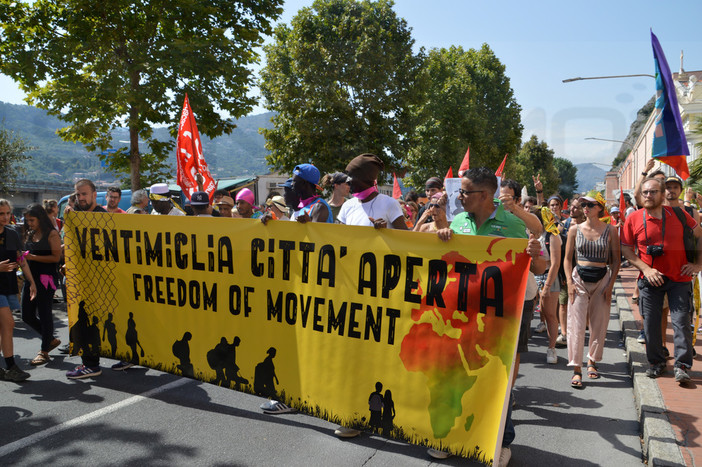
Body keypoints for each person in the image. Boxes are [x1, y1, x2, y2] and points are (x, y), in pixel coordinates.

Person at [434, 167, 544, 466]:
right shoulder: (458, 220)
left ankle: (500, 442)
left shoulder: (514, 222)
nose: (460, 196)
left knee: (499, 377)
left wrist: (534, 253)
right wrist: (443, 234)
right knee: (458, 372)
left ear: (484, 195)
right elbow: (448, 259)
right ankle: (453, 435)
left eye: (465, 192)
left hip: (508, 312)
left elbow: (540, 266)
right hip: (466, 311)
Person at [621, 177, 702, 384]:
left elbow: (700, 235)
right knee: (650, 324)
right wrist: (646, 269)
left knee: (681, 323)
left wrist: (698, 265)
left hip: (679, 278)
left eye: (653, 192)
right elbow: (626, 248)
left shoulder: (679, 214)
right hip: (649, 280)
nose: (648, 195)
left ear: (662, 193)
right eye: (645, 192)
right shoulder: (634, 218)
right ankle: (656, 363)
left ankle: (682, 366)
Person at [563, 191, 620, 388]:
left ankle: (592, 361)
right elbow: (567, 258)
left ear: (600, 208)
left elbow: (616, 260)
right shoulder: (574, 229)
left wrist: (610, 285)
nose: (585, 208)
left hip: (601, 279)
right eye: (583, 205)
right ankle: (576, 368)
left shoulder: (611, 231)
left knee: (599, 323)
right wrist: (569, 283)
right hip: (579, 278)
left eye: (590, 205)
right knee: (576, 324)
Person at [65, 179, 107, 379]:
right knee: (85, 321)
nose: (81, 198)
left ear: (94, 194)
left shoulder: (101, 215)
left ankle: (91, 364)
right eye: (78, 194)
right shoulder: (77, 216)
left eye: (84, 194)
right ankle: (89, 362)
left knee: (89, 321)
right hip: (81, 280)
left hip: (98, 281)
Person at [21, 203, 62, 366]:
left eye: (32, 220)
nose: (29, 223)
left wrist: (33, 257)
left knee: (45, 314)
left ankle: (44, 351)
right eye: (27, 220)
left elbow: (56, 258)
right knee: (26, 315)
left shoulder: (51, 234)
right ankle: (50, 339)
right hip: (31, 279)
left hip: (47, 279)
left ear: (40, 219)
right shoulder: (30, 233)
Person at [0, 199, 35, 381]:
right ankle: (11, 366)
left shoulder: (12, 233)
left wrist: (32, 282)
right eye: (1, 214)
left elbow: (21, 260)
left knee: (4, 326)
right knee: (8, 322)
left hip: (7, 285)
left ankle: (7, 366)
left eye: (7, 213)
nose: (5, 217)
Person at [337, 154, 407, 230]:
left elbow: (405, 238)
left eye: (350, 177)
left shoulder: (390, 204)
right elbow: (340, 236)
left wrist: (385, 232)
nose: (347, 182)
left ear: (365, 179)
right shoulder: (347, 205)